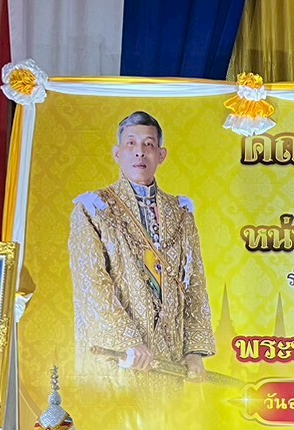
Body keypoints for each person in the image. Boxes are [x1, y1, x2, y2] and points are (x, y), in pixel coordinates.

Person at [68, 111, 216, 380]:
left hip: (170, 357)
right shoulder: (93, 208)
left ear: (161, 155)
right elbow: (92, 282)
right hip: (120, 359)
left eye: (148, 144)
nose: (139, 152)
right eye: (131, 144)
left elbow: (195, 281)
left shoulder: (181, 212)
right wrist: (127, 340)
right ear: (117, 153)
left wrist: (194, 350)